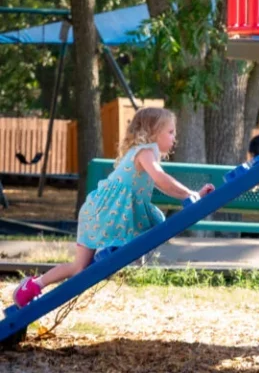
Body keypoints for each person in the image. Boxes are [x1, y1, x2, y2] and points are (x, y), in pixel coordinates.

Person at [11, 108, 213, 309]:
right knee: (140, 227)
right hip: (106, 212)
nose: (174, 138)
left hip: (98, 211)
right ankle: (108, 249)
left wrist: (191, 193)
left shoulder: (144, 153)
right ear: (153, 131)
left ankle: (33, 285)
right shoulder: (146, 151)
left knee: (78, 268)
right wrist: (189, 194)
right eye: (170, 132)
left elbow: (161, 184)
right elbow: (161, 179)